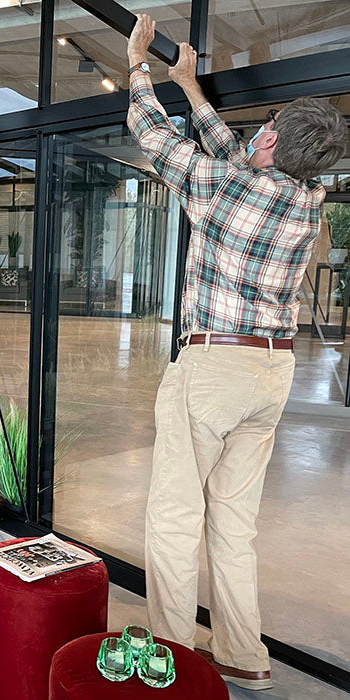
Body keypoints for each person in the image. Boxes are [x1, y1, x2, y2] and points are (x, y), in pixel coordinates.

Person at [124, 15, 347, 692]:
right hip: (273, 372)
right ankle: (243, 656)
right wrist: (191, 89)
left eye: (266, 127)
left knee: (171, 516)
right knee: (232, 522)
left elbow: (151, 136)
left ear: (272, 135)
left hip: (214, 368)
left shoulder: (224, 188)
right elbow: (234, 155)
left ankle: (168, 658)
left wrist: (138, 65)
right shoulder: (308, 200)